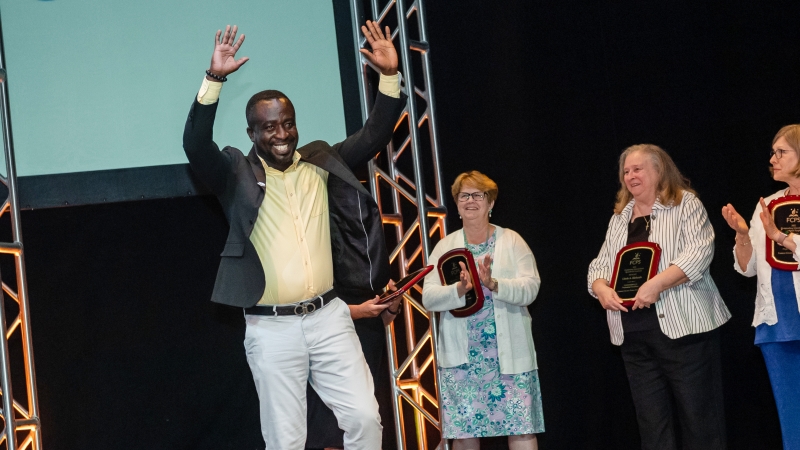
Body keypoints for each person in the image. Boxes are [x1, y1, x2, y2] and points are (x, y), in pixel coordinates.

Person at [182, 22, 405, 449]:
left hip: (330, 319)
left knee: (364, 419)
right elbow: (195, 144)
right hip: (272, 329)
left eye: (287, 123)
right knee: (286, 440)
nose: (281, 134)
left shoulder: (322, 161)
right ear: (251, 134)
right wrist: (214, 80)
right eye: (269, 127)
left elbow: (377, 133)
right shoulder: (235, 174)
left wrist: (389, 76)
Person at [587, 144, 731, 450]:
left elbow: (700, 252)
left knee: (700, 421)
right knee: (652, 426)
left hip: (684, 332)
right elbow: (600, 265)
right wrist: (601, 288)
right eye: (626, 171)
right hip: (634, 337)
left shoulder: (685, 204)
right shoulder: (619, 218)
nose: (630, 175)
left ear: (659, 171)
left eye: (638, 169)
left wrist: (657, 285)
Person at [421, 171, 544, 450]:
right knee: (464, 436)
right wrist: (459, 291)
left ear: (491, 203)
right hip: (463, 361)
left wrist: (493, 283)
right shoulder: (444, 246)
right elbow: (428, 297)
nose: (471, 201)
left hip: (509, 357)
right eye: (464, 195)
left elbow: (531, 287)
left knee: (521, 430)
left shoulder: (512, 240)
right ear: (456, 204)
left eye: (479, 195)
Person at [722, 124, 800, 450]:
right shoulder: (765, 205)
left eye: (781, 151)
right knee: (791, 417)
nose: (773, 158)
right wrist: (742, 234)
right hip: (777, 322)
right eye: (772, 151)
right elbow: (747, 269)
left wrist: (781, 237)